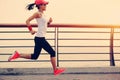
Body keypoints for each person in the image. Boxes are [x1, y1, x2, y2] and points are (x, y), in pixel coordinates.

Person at [8, 0, 65, 75]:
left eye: (45, 4)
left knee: (35, 56)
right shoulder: (37, 14)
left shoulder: (43, 14)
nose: (45, 6)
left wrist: (49, 22)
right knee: (52, 52)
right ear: (40, 6)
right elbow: (27, 21)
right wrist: (31, 30)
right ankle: (55, 70)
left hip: (40, 38)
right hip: (40, 38)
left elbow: (44, 26)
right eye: (44, 5)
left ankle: (17, 55)